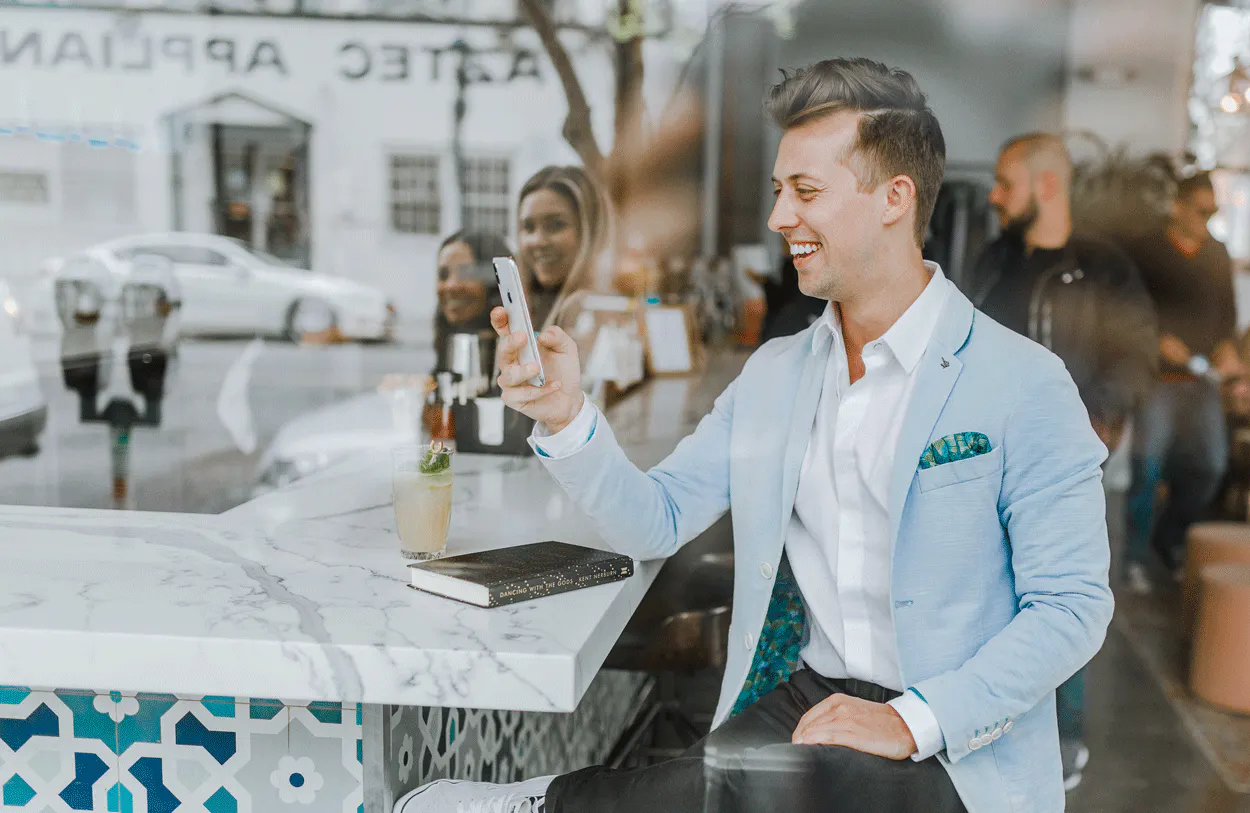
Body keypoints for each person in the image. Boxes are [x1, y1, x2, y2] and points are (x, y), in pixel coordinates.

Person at [397, 58, 1113, 813]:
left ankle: (544, 806)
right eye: (779, 192)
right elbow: (658, 519)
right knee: (745, 778)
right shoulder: (776, 374)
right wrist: (566, 416)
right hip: (808, 695)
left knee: (771, 783)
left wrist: (912, 718)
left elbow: (1071, 608)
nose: (779, 218)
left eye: (806, 192)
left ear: (893, 200)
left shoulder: (1024, 382)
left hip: (957, 736)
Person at [966, 132, 1156, 792]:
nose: (994, 195)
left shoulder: (1105, 269)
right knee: (987, 601)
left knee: (1061, 604)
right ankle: (984, 721)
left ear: (1045, 186)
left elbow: (1134, 358)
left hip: (1065, 470)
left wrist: (1095, 425)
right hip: (983, 464)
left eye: (1004, 182)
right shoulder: (992, 261)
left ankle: (1063, 738)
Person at [1122, 170, 1237, 592]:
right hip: (1158, 381)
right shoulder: (1146, 252)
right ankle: (1133, 558)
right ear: (1178, 206)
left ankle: (1167, 541)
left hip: (1203, 380)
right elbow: (1127, 312)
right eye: (1201, 210)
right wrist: (1156, 340)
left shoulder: (1217, 255)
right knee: (1147, 468)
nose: (1206, 218)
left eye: (1213, 211)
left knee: (1209, 465)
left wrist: (1228, 349)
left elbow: (1228, 315)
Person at [515, 165, 613, 331]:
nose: (538, 241)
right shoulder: (528, 308)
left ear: (590, 231)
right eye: (529, 227)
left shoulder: (596, 312)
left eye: (555, 225)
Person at [433, 231, 512, 375]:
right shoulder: (449, 343)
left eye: (467, 273)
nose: (451, 286)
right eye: (443, 275)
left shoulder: (520, 360)